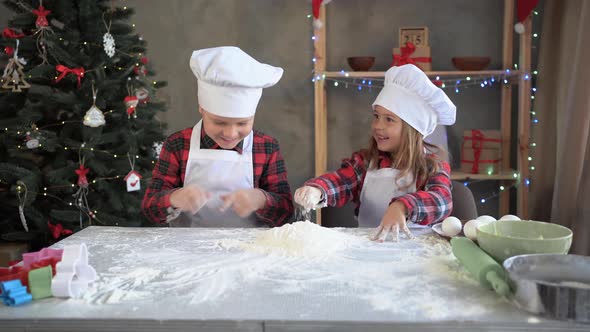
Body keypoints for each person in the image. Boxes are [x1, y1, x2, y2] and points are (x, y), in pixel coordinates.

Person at [294, 64, 456, 241]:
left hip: (416, 253)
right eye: (376, 116)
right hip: (368, 250)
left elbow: (442, 200)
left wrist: (403, 206)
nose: (378, 126)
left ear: (412, 129)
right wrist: (318, 190)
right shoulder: (365, 162)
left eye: (389, 120)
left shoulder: (432, 167)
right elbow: (341, 181)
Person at [142, 46, 293, 227]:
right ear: (202, 109)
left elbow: (286, 214)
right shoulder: (178, 144)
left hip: (250, 251)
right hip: (186, 251)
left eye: (242, 123)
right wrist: (174, 198)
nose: (230, 133)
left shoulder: (266, 147)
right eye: (219, 122)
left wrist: (261, 199)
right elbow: (149, 209)